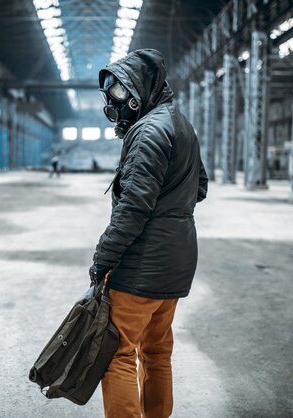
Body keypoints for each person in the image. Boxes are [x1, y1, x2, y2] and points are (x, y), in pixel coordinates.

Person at [89, 49, 208, 418]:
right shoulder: (179, 124)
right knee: (157, 352)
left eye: (121, 97)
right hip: (176, 263)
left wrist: (102, 259)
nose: (116, 108)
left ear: (140, 90)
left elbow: (133, 209)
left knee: (117, 354)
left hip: (142, 267)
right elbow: (199, 187)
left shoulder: (147, 131)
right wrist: (172, 207)